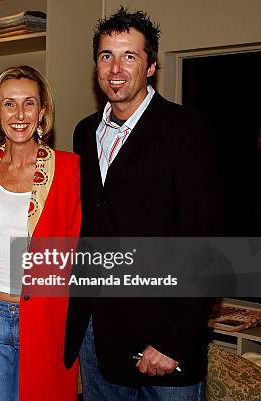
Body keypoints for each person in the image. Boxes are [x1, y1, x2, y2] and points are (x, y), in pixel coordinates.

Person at [63, 7, 222, 401]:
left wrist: (174, 340)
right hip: (97, 337)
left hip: (164, 344)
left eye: (129, 56)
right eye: (106, 56)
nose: (115, 69)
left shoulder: (188, 131)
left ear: (151, 66)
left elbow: (208, 244)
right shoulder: (84, 132)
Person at [0, 65, 81, 401]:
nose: (20, 114)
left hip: (46, 319)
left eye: (29, 103)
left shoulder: (70, 169)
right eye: (9, 104)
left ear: (42, 112)